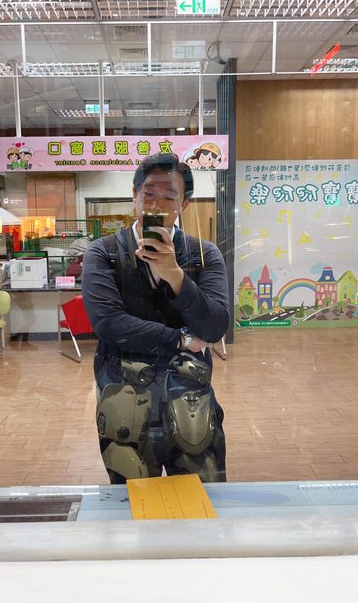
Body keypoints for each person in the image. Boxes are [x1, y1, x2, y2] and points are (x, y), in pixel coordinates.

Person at [82, 153, 229, 484]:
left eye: (169, 196)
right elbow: (108, 324)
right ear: (134, 195)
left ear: (184, 204)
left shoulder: (203, 254)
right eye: (148, 193)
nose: (157, 204)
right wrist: (181, 339)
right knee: (134, 497)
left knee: (200, 496)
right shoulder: (104, 252)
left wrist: (174, 274)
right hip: (124, 404)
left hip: (190, 402)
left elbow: (216, 326)